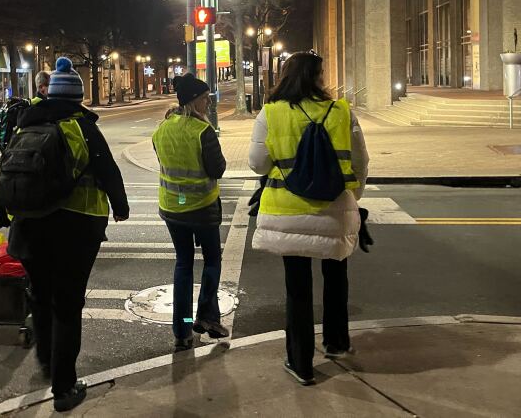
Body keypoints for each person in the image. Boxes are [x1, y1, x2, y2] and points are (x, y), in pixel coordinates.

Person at [3, 57, 129, 412]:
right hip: (74, 229)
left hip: (27, 226)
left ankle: (46, 362)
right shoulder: (82, 126)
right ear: (78, 97)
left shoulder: (25, 124)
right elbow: (108, 170)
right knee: (68, 304)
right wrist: (120, 207)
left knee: (40, 297)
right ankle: (64, 388)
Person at [248, 51, 369, 386]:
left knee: (297, 288)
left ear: (287, 76)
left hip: (288, 211)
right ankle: (337, 343)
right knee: (336, 277)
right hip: (334, 208)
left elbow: (257, 164)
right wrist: (351, 199)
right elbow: (361, 163)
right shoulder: (342, 111)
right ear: (318, 77)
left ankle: (300, 362)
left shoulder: (271, 113)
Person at [152, 73, 228, 352]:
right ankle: (206, 316)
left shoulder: (162, 129)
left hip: (173, 207)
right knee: (211, 261)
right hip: (202, 207)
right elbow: (217, 169)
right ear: (194, 102)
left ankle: (182, 329)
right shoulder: (202, 131)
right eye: (205, 99)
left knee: (183, 265)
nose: (208, 103)